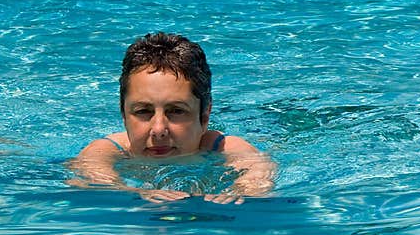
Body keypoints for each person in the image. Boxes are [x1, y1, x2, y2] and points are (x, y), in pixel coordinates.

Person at [67, 32, 275, 204]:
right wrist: (131, 193)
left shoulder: (219, 147)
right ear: (123, 115)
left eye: (176, 111)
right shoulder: (110, 149)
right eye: (142, 111)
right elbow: (89, 176)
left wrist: (238, 191)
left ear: (204, 117)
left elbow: (260, 172)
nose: (158, 130)